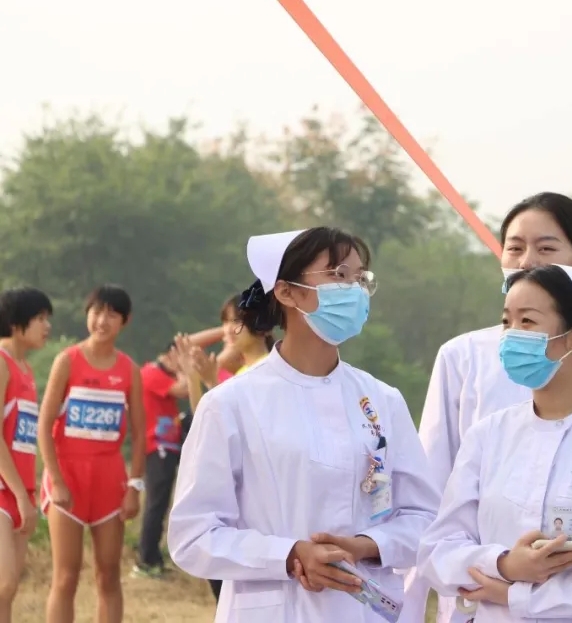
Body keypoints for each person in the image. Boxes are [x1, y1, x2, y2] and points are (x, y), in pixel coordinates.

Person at [408, 192, 572, 622]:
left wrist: (522, 597)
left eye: (545, 248)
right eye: (514, 247)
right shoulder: (485, 422)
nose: (526, 261)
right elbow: (433, 523)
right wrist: (505, 566)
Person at [168, 227, 441, 622]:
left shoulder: (383, 401)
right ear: (287, 292)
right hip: (276, 609)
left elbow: (424, 519)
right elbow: (193, 535)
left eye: (359, 278)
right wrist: (290, 554)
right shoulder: (231, 404)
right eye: (337, 275)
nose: (354, 290)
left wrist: (365, 545)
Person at [38, 285, 145, 623]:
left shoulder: (129, 370)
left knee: (109, 575)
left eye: (112, 314)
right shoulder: (66, 361)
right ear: (88, 315)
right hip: (67, 477)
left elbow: (141, 434)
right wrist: (56, 481)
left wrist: (134, 486)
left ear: (124, 322)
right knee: (66, 577)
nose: (102, 320)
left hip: (109, 482)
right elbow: (44, 427)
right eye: (97, 311)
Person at [173, 292, 276, 603]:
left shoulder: (269, 372)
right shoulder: (240, 374)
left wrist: (208, 380)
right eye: (225, 322)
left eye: (236, 321)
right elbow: (206, 422)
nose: (228, 330)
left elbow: (247, 432)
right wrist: (197, 378)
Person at [0, 287, 52, 623]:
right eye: (40, 319)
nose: (47, 326)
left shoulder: (26, 370)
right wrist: (20, 493)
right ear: (17, 323)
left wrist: (27, 493)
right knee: (2, 583)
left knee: (9, 590)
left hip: (20, 492)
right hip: (6, 492)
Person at [133, 343, 188, 579]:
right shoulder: (151, 373)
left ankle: (153, 555)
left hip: (168, 445)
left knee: (161, 503)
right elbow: (183, 390)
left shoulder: (160, 373)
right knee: (155, 504)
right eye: (178, 359)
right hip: (157, 446)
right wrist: (185, 368)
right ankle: (146, 560)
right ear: (168, 355)